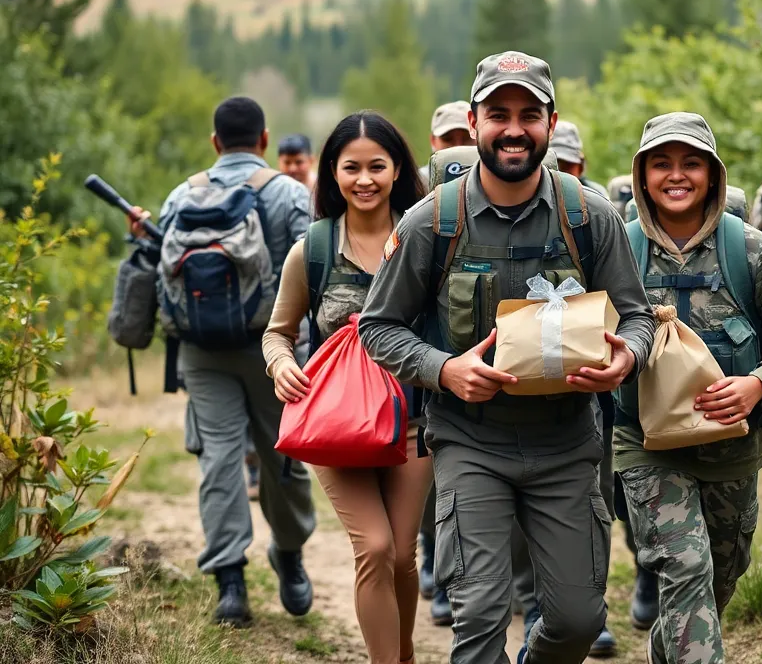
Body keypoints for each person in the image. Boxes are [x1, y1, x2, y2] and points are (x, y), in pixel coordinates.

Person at [358, 50, 656, 664]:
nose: (513, 129)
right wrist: (445, 370)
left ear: (552, 123)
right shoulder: (432, 222)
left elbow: (639, 316)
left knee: (577, 622)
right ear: (473, 123)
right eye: (498, 114)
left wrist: (627, 356)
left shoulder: (590, 216)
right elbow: (378, 327)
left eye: (528, 115)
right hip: (470, 444)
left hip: (567, 444)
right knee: (479, 620)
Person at [615, 111, 762, 664]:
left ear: (713, 175)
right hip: (646, 444)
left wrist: (758, 384)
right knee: (686, 566)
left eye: (692, 163)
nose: (677, 175)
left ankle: (668, 650)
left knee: (721, 575)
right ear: (642, 175)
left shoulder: (748, 249)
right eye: (661, 163)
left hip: (732, 445)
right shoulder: (619, 251)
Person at [128, 97, 316, 627]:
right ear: (264, 140)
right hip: (276, 352)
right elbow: (314, 273)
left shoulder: (179, 195)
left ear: (215, 142)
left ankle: (230, 585)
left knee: (218, 461)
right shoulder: (288, 193)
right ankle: (289, 554)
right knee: (285, 458)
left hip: (199, 352)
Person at [263, 111, 431, 664]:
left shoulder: (424, 238)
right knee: (375, 548)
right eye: (351, 167)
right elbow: (278, 333)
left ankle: (402, 653)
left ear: (398, 169)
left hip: (415, 423)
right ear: (332, 173)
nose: (364, 180)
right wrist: (281, 366)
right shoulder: (311, 250)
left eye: (377, 166)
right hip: (337, 424)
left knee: (402, 556)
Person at [513, 115, 620, 657]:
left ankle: (563, 611)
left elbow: (630, 308)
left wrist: (626, 355)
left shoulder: (592, 216)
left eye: (573, 165)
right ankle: (530, 602)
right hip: (490, 416)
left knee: (589, 508)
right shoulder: (459, 216)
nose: (566, 173)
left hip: (582, 406)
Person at [417, 98, 474, 626]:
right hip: (430, 362)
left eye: (464, 136)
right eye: (449, 138)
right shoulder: (417, 193)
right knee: (434, 478)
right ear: (435, 143)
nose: (458, 145)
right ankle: (436, 567)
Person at [419, 101, 476, 191]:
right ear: (433, 141)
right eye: (448, 139)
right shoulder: (418, 183)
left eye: (466, 138)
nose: (457, 146)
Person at [550, 119, 609, 198]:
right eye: (554, 164)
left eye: (567, 165)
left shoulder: (596, 195)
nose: (560, 173)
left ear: (580, 167)